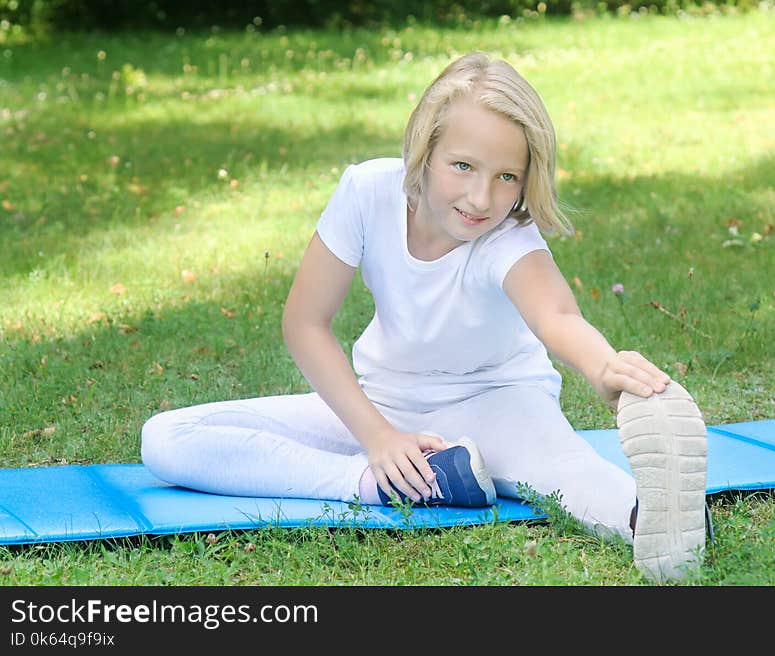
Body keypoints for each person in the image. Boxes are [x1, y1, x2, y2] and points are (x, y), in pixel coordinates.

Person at [141, 52, 708, 583]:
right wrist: (379, 439)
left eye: (506, 177)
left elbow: (557, 314)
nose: (481, 198)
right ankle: (388, 483)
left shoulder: (506, 237)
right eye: (462, 166)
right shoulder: (367, 192)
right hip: (383, 404)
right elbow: (305, 324)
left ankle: (661, 524)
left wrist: (604, 366)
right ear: (425, 148)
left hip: (499, 403)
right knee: (168, 438)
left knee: (565, 474)